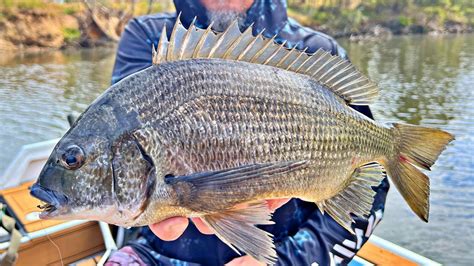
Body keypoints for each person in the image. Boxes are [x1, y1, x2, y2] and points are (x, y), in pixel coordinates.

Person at [107, 0, 390, 265]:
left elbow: (372, 186)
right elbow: (116, 135)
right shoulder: (147, 35)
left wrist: (287, 260)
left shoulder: (315, 50)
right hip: (160, 254)